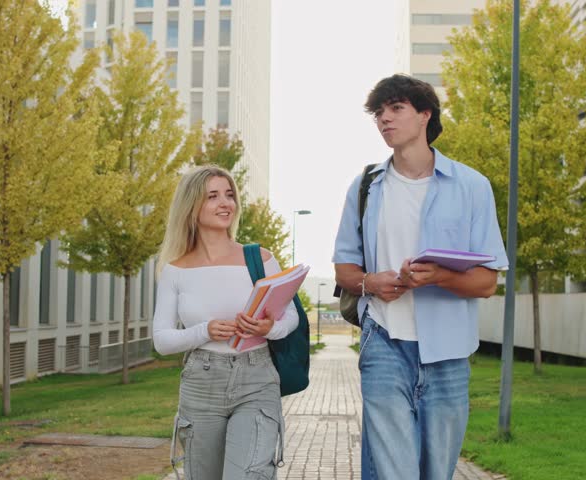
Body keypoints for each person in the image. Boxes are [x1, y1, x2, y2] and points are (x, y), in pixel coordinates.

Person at [332, 74, 509, 479]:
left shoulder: (472, 186)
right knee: (397, 469)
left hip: (447, 352)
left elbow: (486, 283)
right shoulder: (365, 187)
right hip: (383, 343)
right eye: (379, 113)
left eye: (395, 109)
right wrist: (371, 283)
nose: (384, 120)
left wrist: (436, 277)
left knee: (436, 470)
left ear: (425, 115)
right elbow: (344, 269)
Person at [154, 165, 299, 480]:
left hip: (257, 378)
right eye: (213, 196)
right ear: (192, 206)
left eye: (230, 195)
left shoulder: (259, 258)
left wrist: (268, 329)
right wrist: (203, 331)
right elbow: (161, 340)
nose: (226, 203)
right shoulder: (174, 270)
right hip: (201, 383)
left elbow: (291, 317)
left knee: (250, 474)